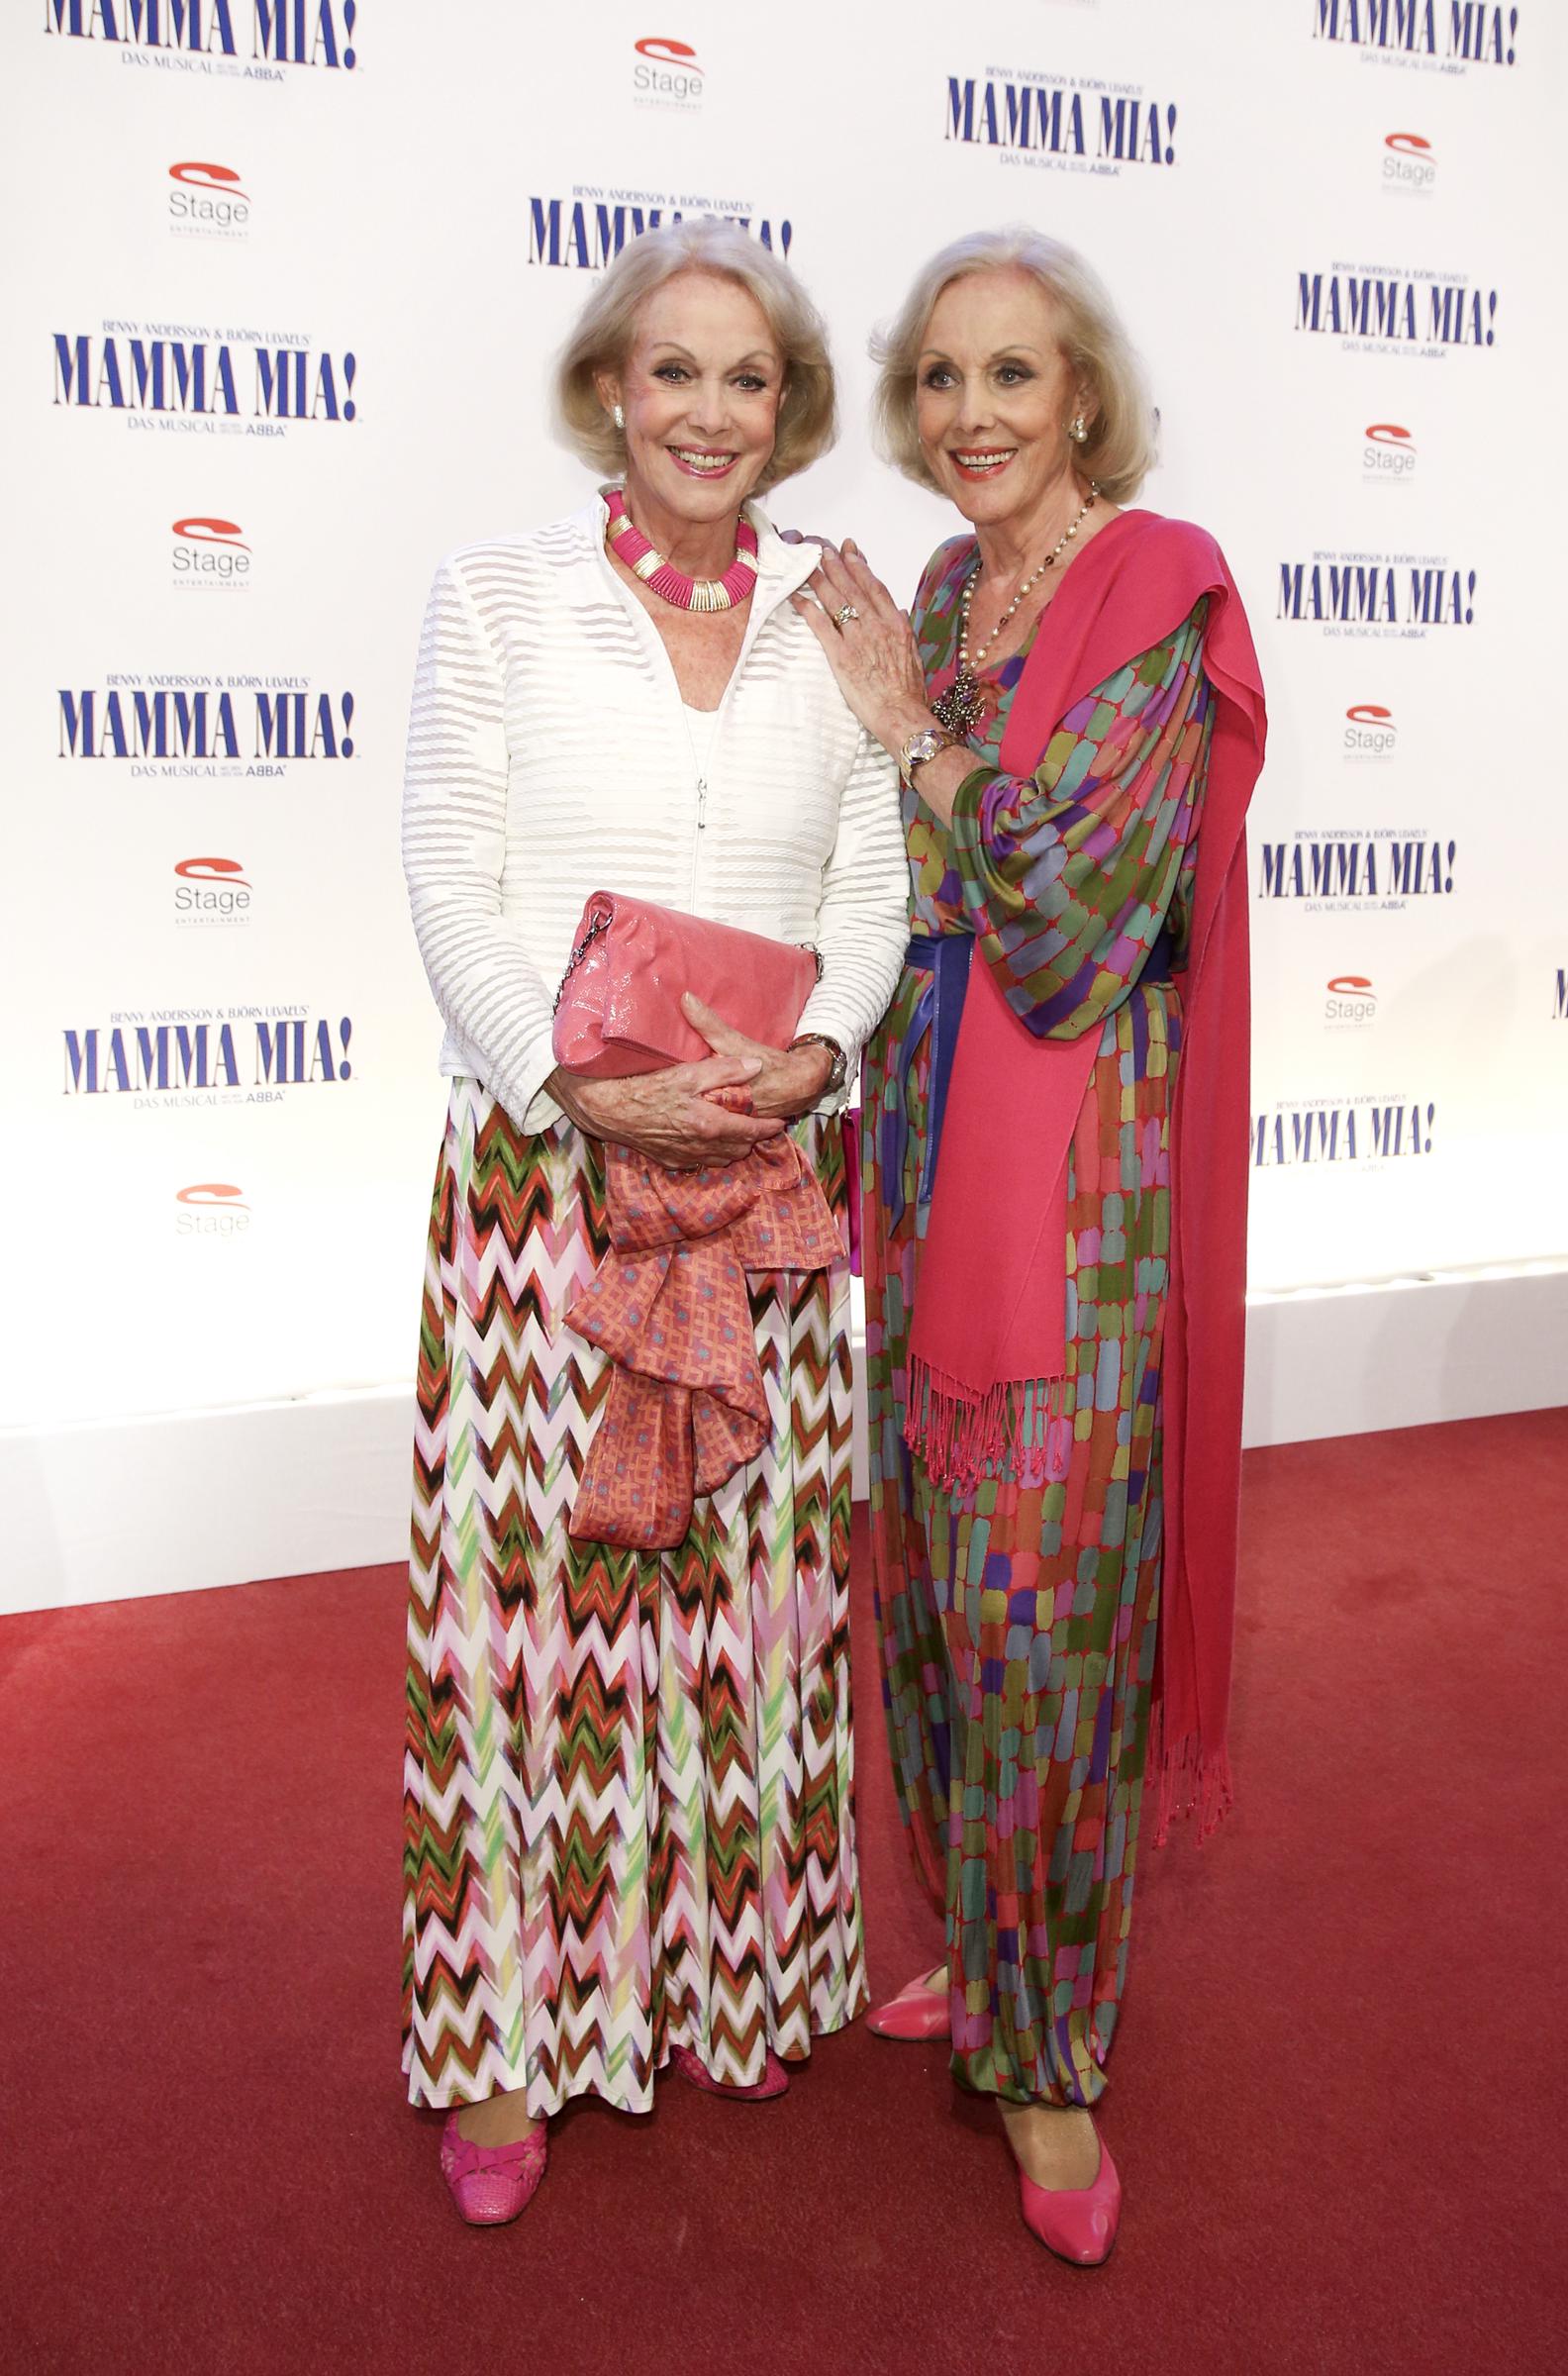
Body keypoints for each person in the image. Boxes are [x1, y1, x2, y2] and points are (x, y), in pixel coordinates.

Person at [400, 219, 911, 2226]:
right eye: (673, 370)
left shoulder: (829, 611)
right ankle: (501, 2041)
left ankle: (730, 1983)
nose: (710, 410)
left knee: (753, 1601)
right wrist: (574, 1079)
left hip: (764, 1186)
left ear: (785, 414)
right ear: (611, 389)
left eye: (750, 378)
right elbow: (449, 876)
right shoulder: (499, 597)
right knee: (530, 1614)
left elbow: (868, 882)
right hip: (551, 1178)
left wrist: (820, 1057)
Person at [795, 227, 1265, 2264]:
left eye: (1013, 375)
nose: (971, 416)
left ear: (1082, 396)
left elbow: (1072, 915)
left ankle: (1052, 2050)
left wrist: (909, 742)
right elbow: (886, 878)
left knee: (1042, 1617)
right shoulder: (934, 594)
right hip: (916, 1150)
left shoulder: (1152, 592)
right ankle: (980, 1960)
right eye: (938, 380)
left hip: (1071, 1195)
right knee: (930, 1598)